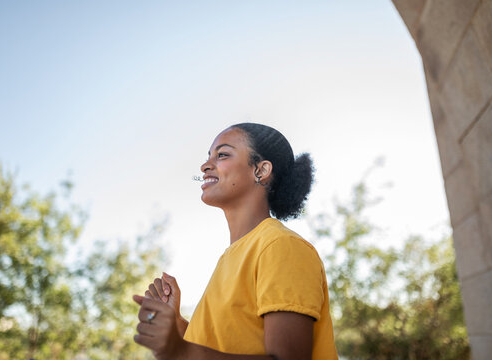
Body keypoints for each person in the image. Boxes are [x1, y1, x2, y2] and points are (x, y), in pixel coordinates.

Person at [133, 123, 338, 360]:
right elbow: (223, 348)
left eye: (222, 155)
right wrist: (177, 326)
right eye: (208, 157)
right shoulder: (231, 257)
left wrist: (182, 352)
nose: (205, 165)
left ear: (260, 171)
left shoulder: (280, 246)